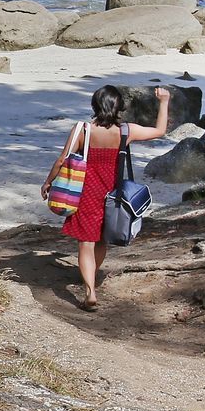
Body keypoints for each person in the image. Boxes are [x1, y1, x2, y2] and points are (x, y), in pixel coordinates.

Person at [40, 86, 170, 311]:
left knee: (85, 243)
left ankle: (90, 289)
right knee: (100, 240)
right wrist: (164, 101)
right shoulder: (125, 132)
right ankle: (92, 281)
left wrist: (48, 182)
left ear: (95, 105)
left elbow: (62, 160)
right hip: (112, 194)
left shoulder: (83, 130)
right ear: (119, 107)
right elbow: (159, 130)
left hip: (85, 194)